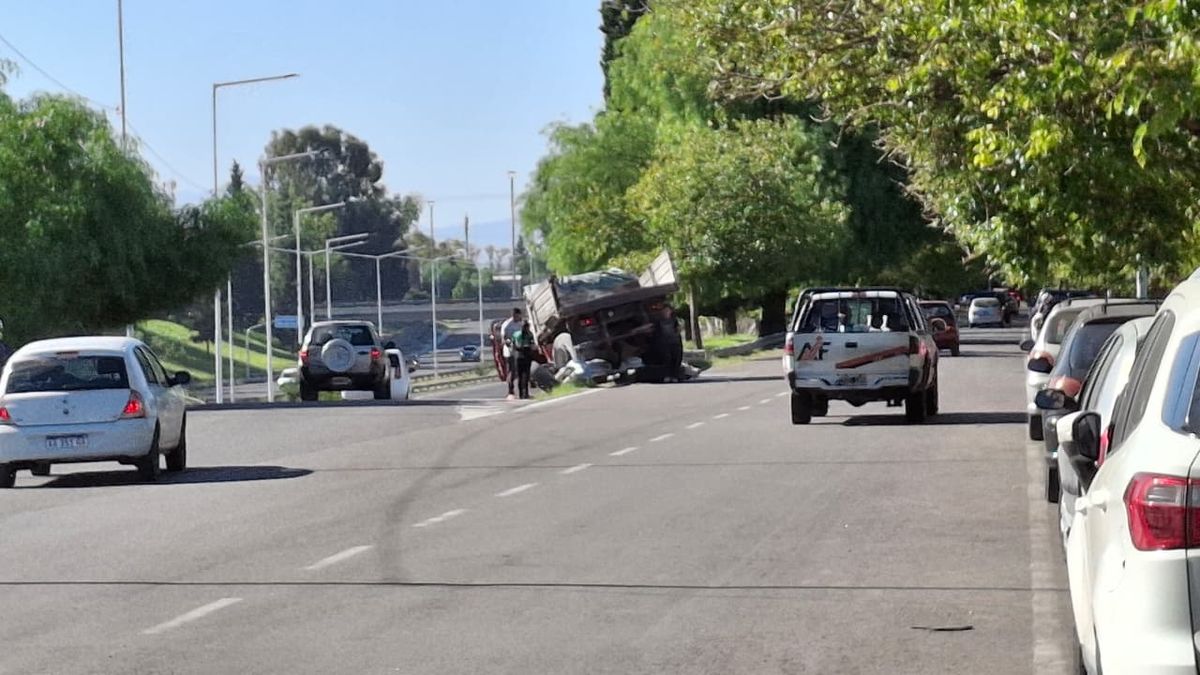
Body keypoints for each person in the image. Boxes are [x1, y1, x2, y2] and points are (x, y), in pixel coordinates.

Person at [499, 308, 523, 399]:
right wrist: (510, 342)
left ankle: (522, 391)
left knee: (520, 370)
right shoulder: (507, 325)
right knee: (511, 370)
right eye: (517, 316)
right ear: (514, 315)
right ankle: (510, 390)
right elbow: (503, 339)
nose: (519, 318)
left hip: (519, 350)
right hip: (509, 351)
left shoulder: (520, 324)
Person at [513, 320, 535, 399]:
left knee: (519, 376)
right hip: (526, 356)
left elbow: (513, 345)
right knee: (525, 375)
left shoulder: (515, 334)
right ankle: (525, 393)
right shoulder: (529, 334)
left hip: (517, 356)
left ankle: (520, 394)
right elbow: (532, 346)